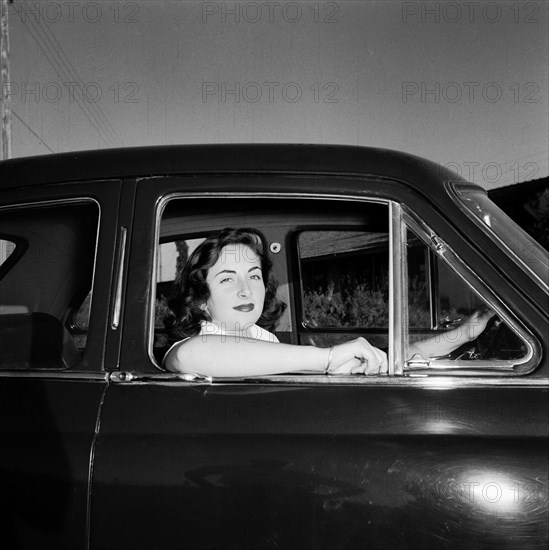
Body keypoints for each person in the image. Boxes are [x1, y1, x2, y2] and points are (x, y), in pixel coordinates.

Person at [162, 227, 493, 376]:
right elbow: (190, 355)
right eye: (226, 279)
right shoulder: (200, 344)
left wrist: (463, 335)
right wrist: (329, 357)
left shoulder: (264, 340)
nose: (246, 290)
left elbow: (387, 359)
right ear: (201, 301)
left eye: (254, 275)